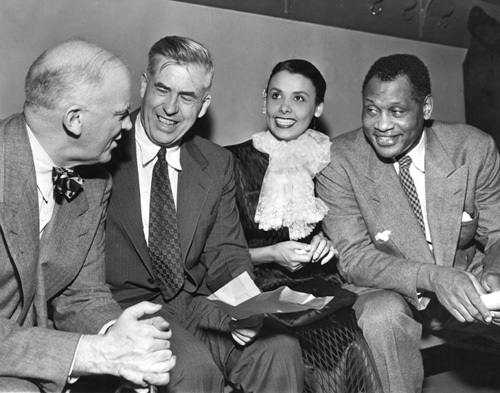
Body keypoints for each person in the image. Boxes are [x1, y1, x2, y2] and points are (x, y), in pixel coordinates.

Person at [104, 35, 303, 393]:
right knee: (192, 370)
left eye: (187, 97)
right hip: (126, 307)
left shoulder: (216, 163)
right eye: (162, 90)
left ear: (204, 103)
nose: (170, 108)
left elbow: (226, 251)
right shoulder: (104, 149)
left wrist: (247, 307)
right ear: (144, 84)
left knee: (279, 349)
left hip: (192, 302)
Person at [316, 53, 500, 392]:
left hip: (465, 277)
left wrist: (494, 271)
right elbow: (354, 258)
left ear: (426, 108)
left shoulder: (474, 149)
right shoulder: (337, 160)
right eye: (371, 110)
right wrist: (433, 276)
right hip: (388, 285)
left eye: (397, 111)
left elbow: (497, 232)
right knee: (380, 316)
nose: (382, 125)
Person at [0, 39, 175, 393]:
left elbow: (82, 295)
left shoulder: (95, 185)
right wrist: (97, 355)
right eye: (120, 114)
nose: (129, 126)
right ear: (75, 120)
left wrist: (117, 335)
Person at [225, 59, 383, 393]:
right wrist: (271, 254)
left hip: (320, 292)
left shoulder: (330, 159)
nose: (284, 108)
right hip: (255, 291)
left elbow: (355, 230)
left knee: (348, 353)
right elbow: (214, 253)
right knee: (281, 353)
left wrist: (328, 240)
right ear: (263, 99)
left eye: (299, 98)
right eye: (276, 95)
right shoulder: (229, 162)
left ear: (318, 107)